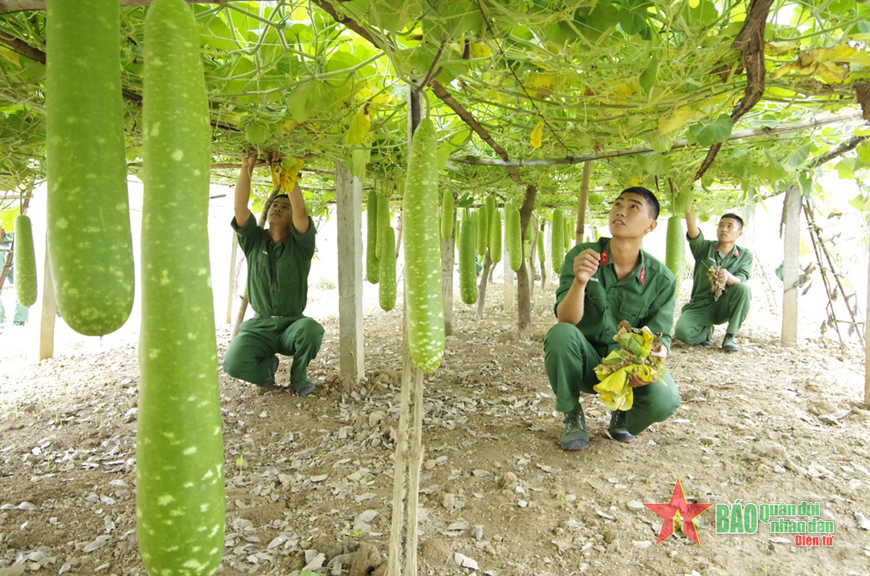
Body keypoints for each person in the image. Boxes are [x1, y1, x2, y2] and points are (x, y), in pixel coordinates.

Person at [544, 187, 681, 451]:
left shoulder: (661, 280)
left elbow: (661, 341)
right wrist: (580, 282)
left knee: (665, 399)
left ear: (650, 226)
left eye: (633, 207)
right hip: (584, 364)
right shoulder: (583, 255)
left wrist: (651, 366)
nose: (620, 210)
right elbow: (566, 319)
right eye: (618, 204)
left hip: (626, 369)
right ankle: (572, 415)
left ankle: (624, 414)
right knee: (560, 334)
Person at [222, 154, 324, 395]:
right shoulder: (254, 240)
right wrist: (246, 167)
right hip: (259, 325)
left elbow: (301, 213)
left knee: (311, 330)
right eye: (275, 206)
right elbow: (240, 208)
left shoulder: (301, 246)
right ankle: (267, 369)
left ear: (292, 219)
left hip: (292, 324)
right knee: (232, 363)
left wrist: (289, 178)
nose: (278, 208)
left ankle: (299, 377)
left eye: (284, 207)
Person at [674, 204, 752, 352]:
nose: (724, 229)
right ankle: (705, 332)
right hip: (700, 305)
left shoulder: (745, 255)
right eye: (721, 225)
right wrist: (687, 202)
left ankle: (730, 336)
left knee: (744, 289)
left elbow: (742, 278)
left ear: (739, 233)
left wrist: (728, 277)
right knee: (682, 333)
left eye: (730, 226)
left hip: (723, 304)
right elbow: (692, 230)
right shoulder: (704, 248)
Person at [0, 229, 29, 327]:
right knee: (23, 286)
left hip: (14, 244)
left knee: (23, 286)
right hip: (12, 244)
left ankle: (20, 320)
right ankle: (19, 320)